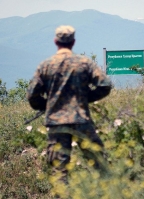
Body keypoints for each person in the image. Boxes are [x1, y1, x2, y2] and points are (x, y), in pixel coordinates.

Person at [26, 25, 112, 185]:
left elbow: (32, 95)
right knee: (99, 163)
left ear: (55, 41)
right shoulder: (84, 63)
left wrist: (46, 104)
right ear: (73, 42)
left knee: (59, 171)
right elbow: (105, 85)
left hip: (57, 122)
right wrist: (85, 98)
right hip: (81, 119)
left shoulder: (45, 65)